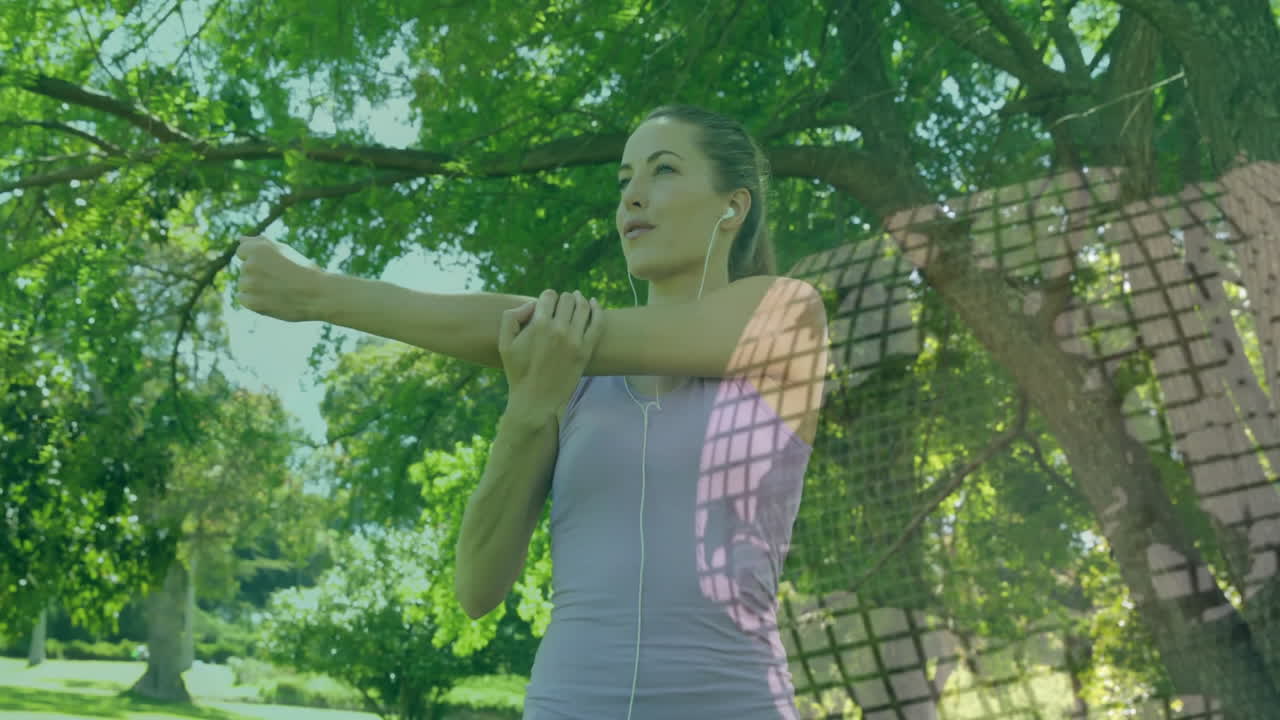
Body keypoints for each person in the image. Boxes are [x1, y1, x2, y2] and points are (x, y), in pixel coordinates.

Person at [235, 104, 829, 718]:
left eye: (664, 171)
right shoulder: (563, 371)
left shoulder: (787, 317)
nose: (633, 197)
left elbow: (516, 325)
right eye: (624, 180)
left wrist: (318, 292)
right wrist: (528, 408)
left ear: (733, 206)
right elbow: (477, 589)